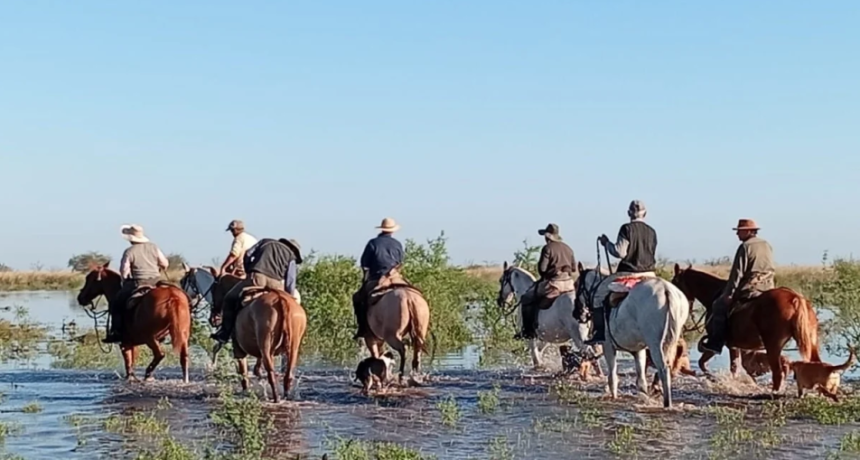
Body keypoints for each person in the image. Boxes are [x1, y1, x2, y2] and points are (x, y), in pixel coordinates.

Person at [584, 200, 658, 345]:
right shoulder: (652, 231)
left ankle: (599, 333)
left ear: (629, 213)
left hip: (629, 273)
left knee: (598, 295)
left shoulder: (626, 228)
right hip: (650, 274)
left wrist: (607, 243)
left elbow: (620, 252)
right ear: (645, 214)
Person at [699, 219, 775, 354]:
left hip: (751, 288)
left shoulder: (746, 247)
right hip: (768, 287)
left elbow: (737, 273)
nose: (737, 234)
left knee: (718, 306)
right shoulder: (766, 245)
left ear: (749, 231)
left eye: (740, 231)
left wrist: (729, 293)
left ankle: (716, 343)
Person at [210, 237, 303, 344]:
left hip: (257, 278)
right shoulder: (291, 256)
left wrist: (249, 269)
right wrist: (289, 297)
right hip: (276, 284)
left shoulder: (266, 242)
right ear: (294, 250)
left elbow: (248, 254)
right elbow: (290, 280)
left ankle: (224, 334)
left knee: (229, 298)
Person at [104, 224, 169, 343]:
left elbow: (124, 269)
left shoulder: (129, 251)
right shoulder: (154, 247)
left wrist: (124, 280)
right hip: (156, 281)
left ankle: (116, 332)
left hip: (138, 282)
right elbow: (165, 264)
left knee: (116, 303)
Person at [514, 223, 576, 340]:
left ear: (548, 236)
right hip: (569, 284)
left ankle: (528, 331)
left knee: (527, 298)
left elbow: (542, 269)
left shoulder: (547, 248)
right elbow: (574, 268)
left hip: (554, 283)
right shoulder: (568, 248)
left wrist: (548, 274)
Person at [352, 217, 404, 340]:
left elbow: (365, 265)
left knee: (358, 298)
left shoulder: (373, 243)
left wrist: (365, 280)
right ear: (393, 231)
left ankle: (363, 328)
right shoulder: (397, 244)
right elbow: (400, 262)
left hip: (377, 278)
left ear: (382, 229)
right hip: (396, 277)